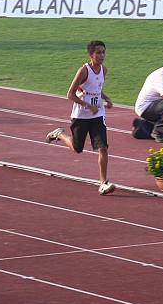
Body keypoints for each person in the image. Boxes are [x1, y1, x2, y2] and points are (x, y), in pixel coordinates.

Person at [46, 40, 116, 195]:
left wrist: (106, 98)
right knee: (77, 148)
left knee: (103, 147)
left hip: (98, 114)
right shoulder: (83, 71)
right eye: (98, 52)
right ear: (90, 54)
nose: (102, 55)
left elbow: (97, 89)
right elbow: (70, 94)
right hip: (81, 115)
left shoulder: (104, 70)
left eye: (104, 52)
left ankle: (103, 183)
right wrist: (86, 105)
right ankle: (59, 134)